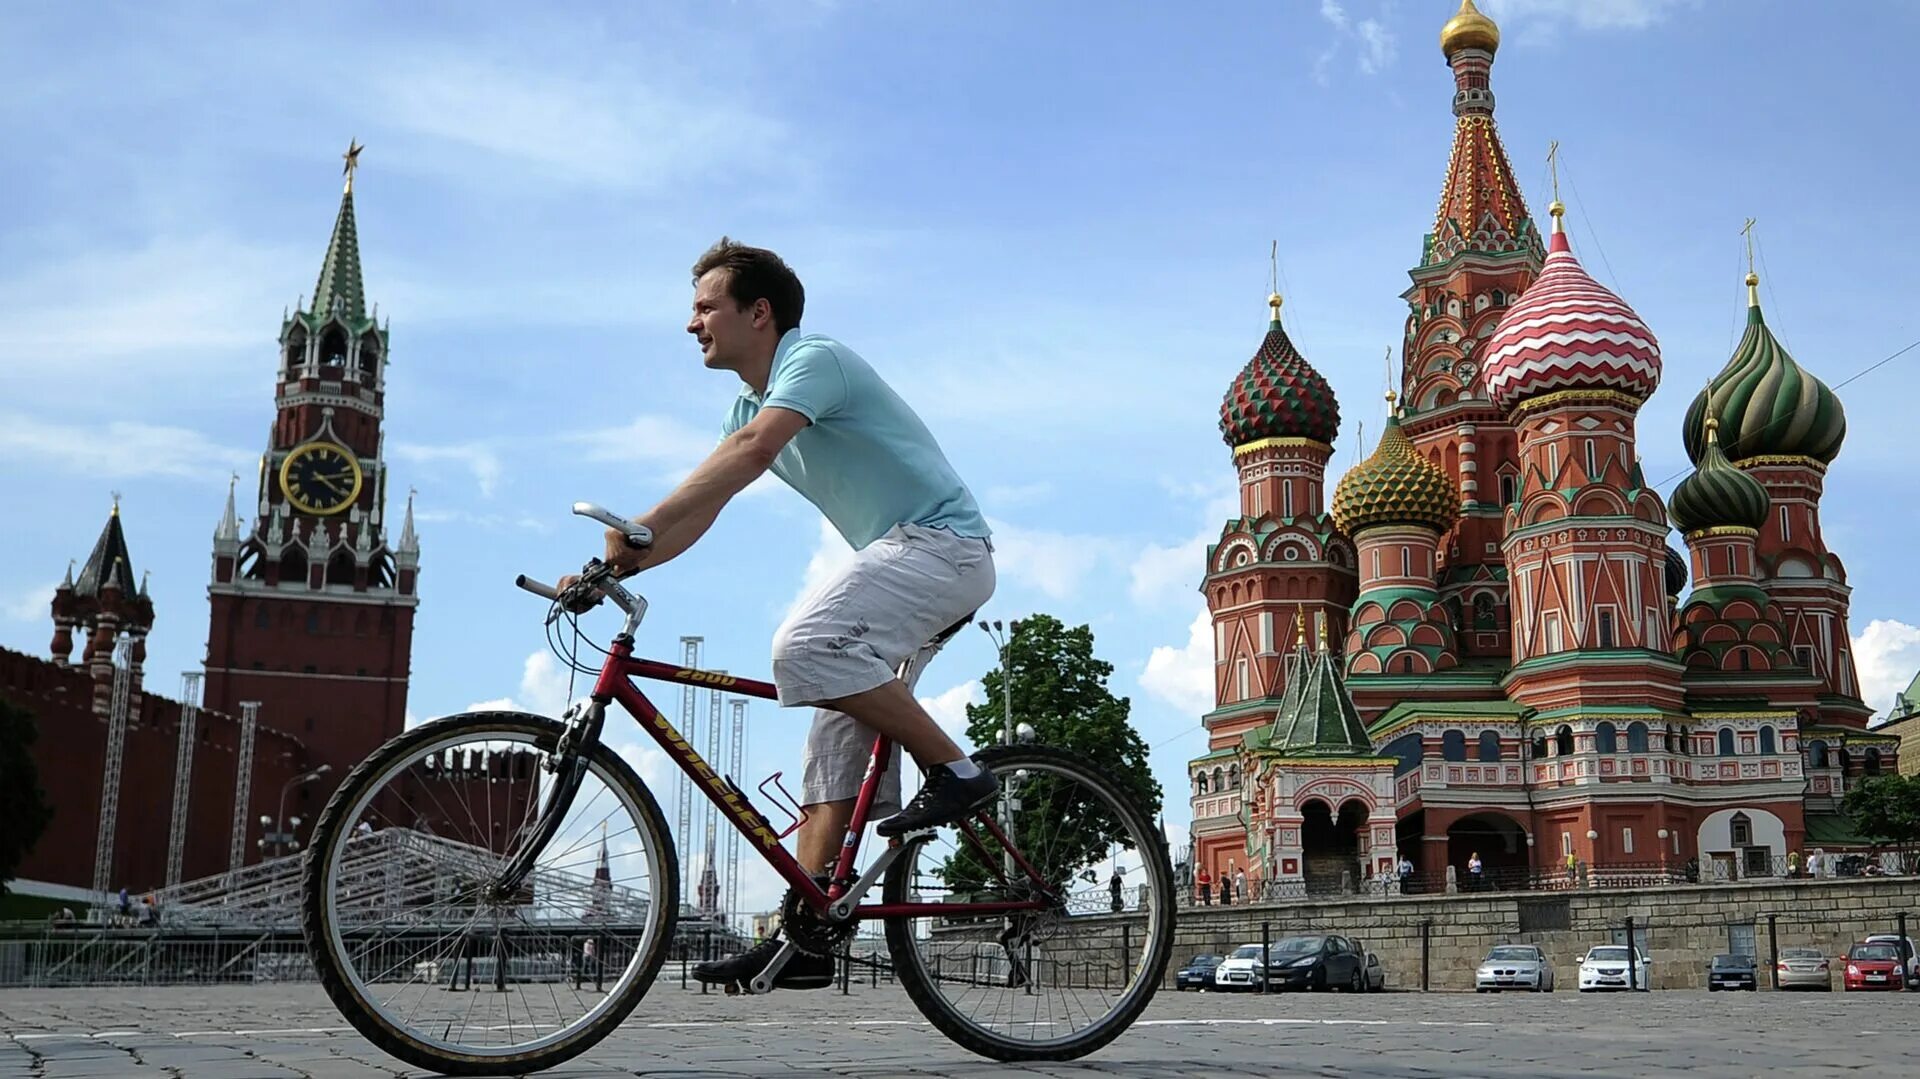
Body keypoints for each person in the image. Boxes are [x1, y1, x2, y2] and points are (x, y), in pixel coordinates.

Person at [561, 240, 997, 992]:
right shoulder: (746, 405)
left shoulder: (813, 361)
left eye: (706, 307)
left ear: (759, 313)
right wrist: (616, 566)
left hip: (943, 546)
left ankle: (958, 771)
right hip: (909, 557)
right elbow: (712, 498)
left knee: (803, 647)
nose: (691, 323)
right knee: (831, 749)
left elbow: (756, 451)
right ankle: (808, 936)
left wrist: (641, 523)